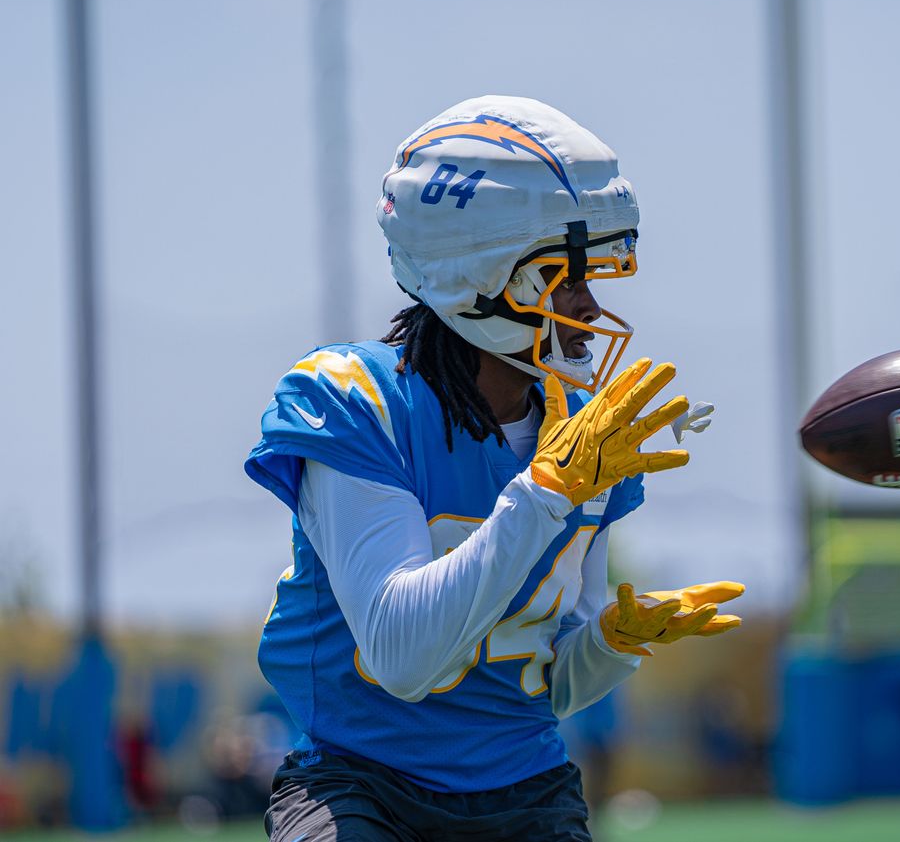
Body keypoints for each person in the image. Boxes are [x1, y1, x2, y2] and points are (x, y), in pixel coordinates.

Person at [244, 95, 744, 842]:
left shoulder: (588, 431)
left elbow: (547, 684)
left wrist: (613, 639)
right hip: (362, 784)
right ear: (475, 276)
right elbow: (402, 655)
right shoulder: (356, 401)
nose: (589, 302)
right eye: (563, 276)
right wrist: (545, 492)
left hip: (525, 787)